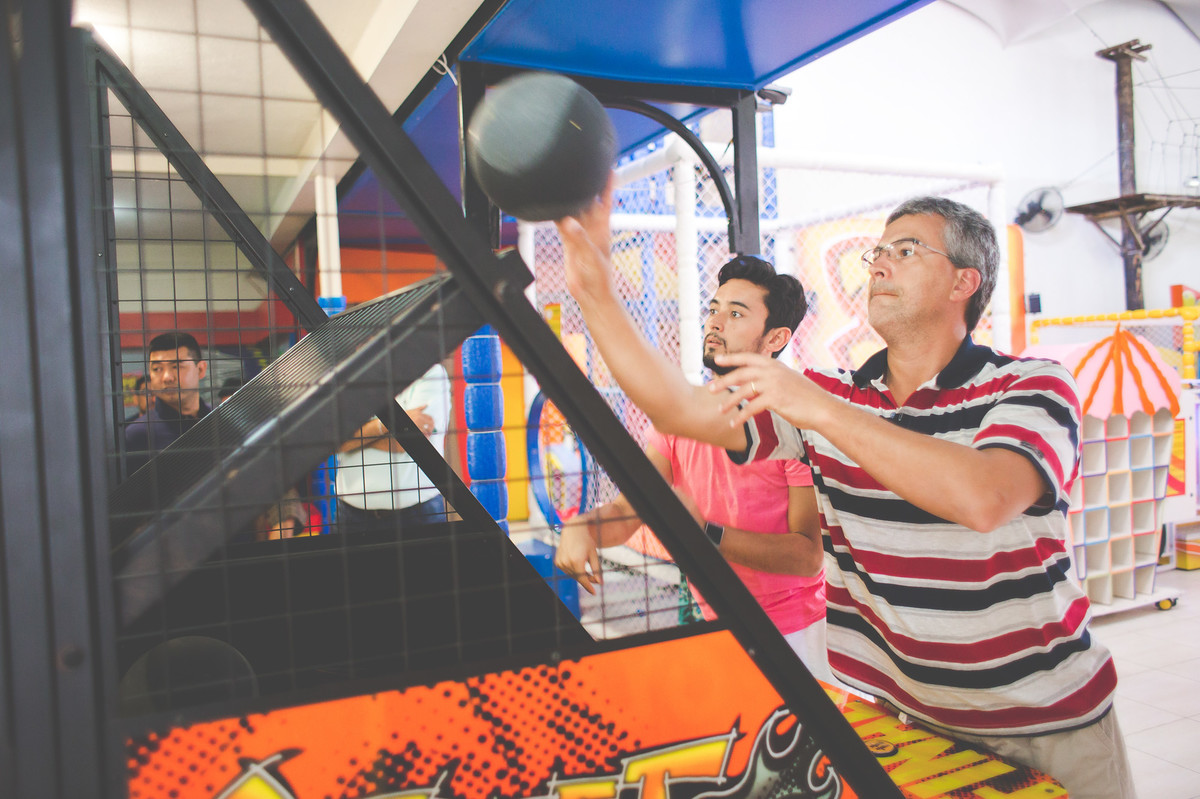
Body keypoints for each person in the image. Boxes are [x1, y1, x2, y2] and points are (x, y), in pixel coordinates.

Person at [557, 187, 1135, 798]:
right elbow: (681, 412)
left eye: (906, 249)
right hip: (914, 726)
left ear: (964, 282)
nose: (879, 261)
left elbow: (984, 496)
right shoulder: (831, 394)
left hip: (1046, 724)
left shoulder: (1030, 385)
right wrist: (596, 296)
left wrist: (822, 411)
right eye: (878, 251)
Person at [555, 256, 835, 681]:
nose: (716, 322)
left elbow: (807, 556)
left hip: (791, 632)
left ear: (776, 337)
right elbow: (631, 509)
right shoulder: (684, 417)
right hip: (715, 619)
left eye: (736, 313)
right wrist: (583, 527)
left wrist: (705, 534)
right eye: (713, 309)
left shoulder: (792, 416)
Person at [335, 362, 451, 533]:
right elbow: (332, 441)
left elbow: (406, 442)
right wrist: (385, 426)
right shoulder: (347, 374)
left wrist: (354, 437)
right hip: (351, 515)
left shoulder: (430, 372)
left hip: (418, 514)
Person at [124, 331, 212, 473]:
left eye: (176, 366)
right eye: (157, 369)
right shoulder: (136, 436)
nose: (167, 377)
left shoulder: (221, 419)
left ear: (200, 369)